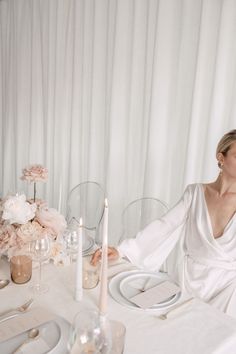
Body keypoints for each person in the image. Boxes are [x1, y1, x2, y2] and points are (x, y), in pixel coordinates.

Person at [91, 129, 236, 316]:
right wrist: (123, 250)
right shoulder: (195, 193)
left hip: (227, 289)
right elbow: (165, 225)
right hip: (187, 280)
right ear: (221, 157)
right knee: (142, 316)